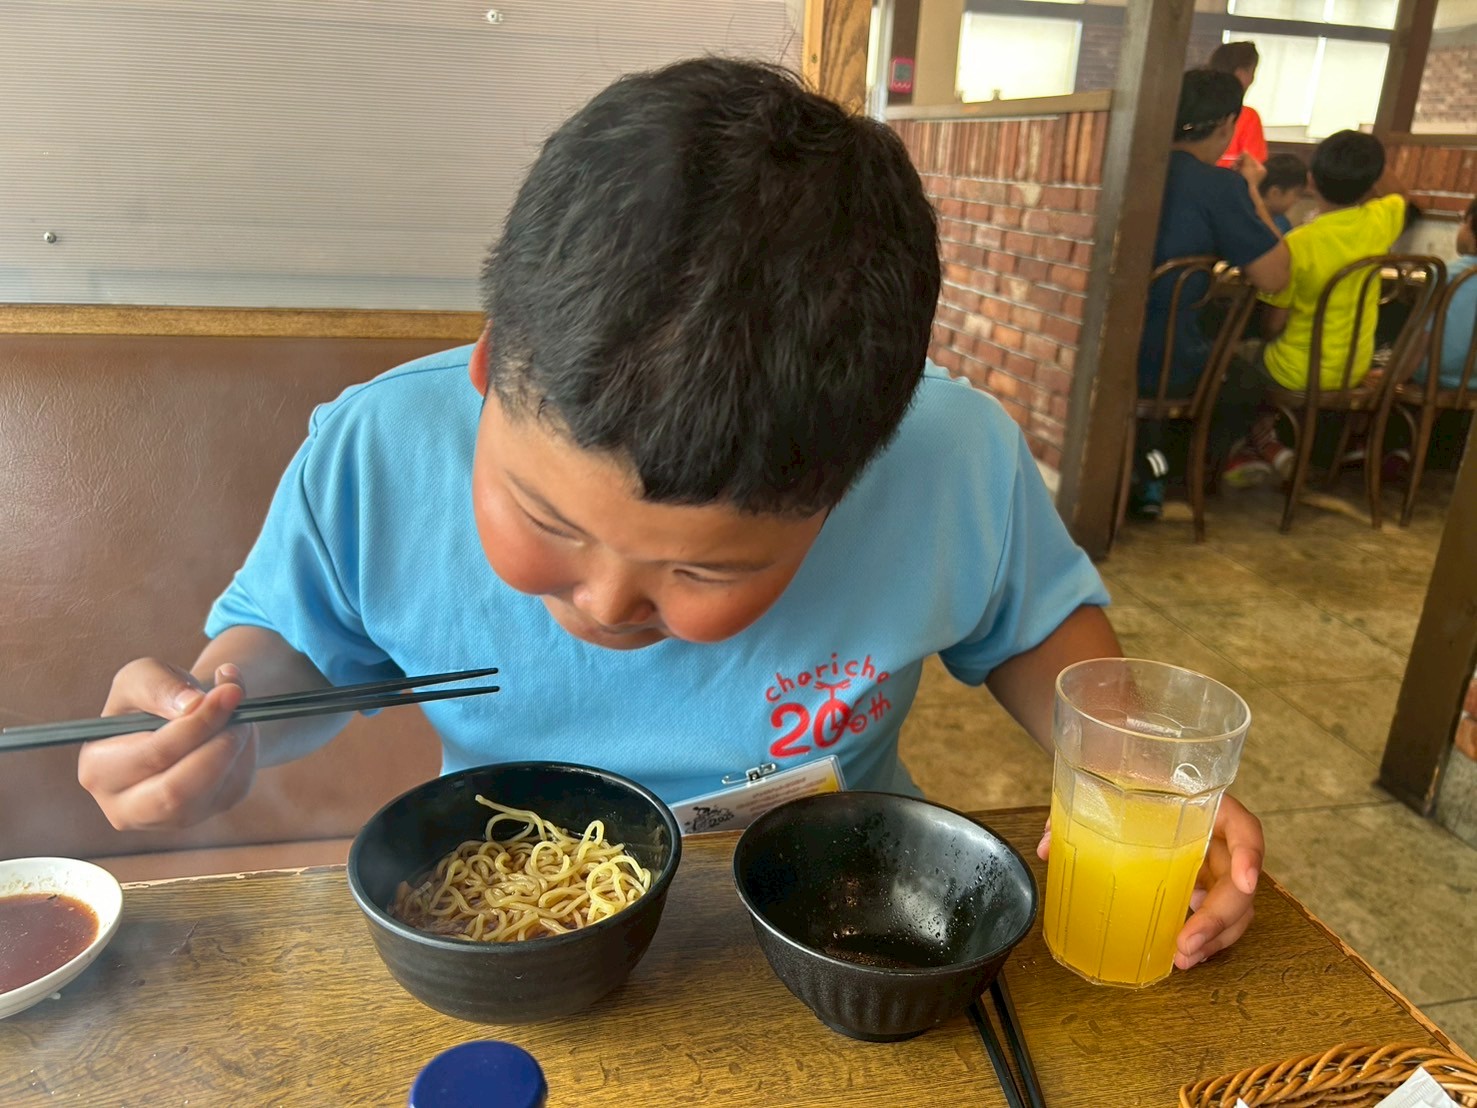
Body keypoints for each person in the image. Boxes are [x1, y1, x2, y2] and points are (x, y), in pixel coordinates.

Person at [77, 59, 1263, 972]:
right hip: (516, 927)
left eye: (703, 571)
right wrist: (211, 726)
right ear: (489, 369)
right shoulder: (377, 451)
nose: (604, 602)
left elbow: (1036, 628)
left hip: (838, 920)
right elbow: (287, 650)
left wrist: (1142, 782)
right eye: (546, 517)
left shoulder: (950, 458)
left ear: (855, 477)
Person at [1131, 68, 1290, 519]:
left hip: (1101, 353)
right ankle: (1176, 477)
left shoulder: (1131, 166)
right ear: (1226, 124)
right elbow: (1276, 277)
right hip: (1163, 363)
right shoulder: (1219, 186)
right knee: (1246, 379)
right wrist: (1253, 191)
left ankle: (1144, 468)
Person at [1224, 130, 1408, 483]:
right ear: (1371, 184)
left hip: (1296, 371)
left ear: (1310, 182)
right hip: (1353, 369)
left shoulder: (1300, 243)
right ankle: (1272, 442)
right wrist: (1370, 158)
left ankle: (1252, 444)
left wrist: (1251, 189)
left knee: (1233, 356)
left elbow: (1272, 327)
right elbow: (1400, 194)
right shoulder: (1380, 220)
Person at [1414, 196, 1477, 390]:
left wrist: (1390, 375)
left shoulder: (1446, 275)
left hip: (1436, 378)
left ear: (1470, 222)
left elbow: (1420, 343)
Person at [1208, 42, 1267, 171]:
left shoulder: (1193, 110)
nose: (1253, 80)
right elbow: (1253, 170)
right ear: (1240, 74)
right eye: (1252, 72)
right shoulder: (1248, 117)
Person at [1259, 153, 1308, 236]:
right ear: (1275, 193)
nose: (1297, 200)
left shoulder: (1282, 221)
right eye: (1296, 193)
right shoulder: (1252, 224)